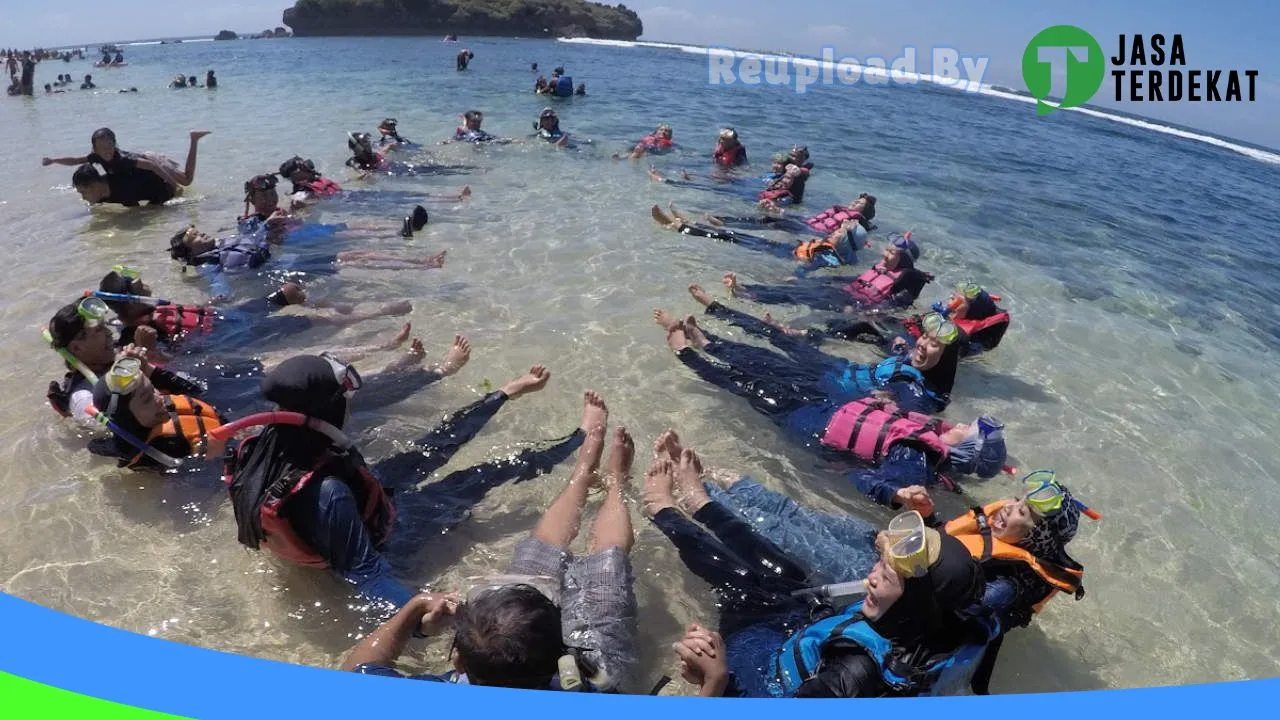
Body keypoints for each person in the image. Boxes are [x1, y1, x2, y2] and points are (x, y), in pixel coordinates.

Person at [226, 357, 593, 609]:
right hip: (389, 532)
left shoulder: (264, 447)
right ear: (328, 412)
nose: (353, 403)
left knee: (431, 447)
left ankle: (504, 393)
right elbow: (367, 576)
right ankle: (581, 439)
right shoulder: (328, 495)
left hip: (359, 498)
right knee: (483, 474)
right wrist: (423, 612)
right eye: (348, 397)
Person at [640, 446, 988, 697]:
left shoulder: (853, 675)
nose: (873, 574)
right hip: (797, 630)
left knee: (740, 579)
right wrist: (821, 609)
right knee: (781, 565)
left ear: (917, 601)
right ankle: (703, 505)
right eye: (881, 562)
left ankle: (665, 512)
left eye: (887, 575)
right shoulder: (908, 622)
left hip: (755, 669)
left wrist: (715, 682)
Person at [345, 402, 639, 691]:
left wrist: (416, 606)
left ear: (457, 662)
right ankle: (615, 485)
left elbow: (356, 671)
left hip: (546, 663)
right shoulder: (591, 692)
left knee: (563, 557)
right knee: (606, 562)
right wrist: (416, 608)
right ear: (562, 658)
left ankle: (583, 475)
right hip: (589, 673)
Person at [655, 302, 999, 506]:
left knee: (746, 383)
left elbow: (880, 483)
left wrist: (899, 496)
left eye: (964, 431)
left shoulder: (916, 449)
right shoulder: (924, 431)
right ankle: (707, 343)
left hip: (813, 421)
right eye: (924, 337)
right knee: (757, 369)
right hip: (826, 403)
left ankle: (687, 354)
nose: (957, 424)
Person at [44, 298, 205, 429]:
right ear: (77, 347)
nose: (108, 333)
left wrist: (150, 354)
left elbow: (190, 379)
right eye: (99, 330)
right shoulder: (83, 398)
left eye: (105, 326)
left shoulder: (120, 357)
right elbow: (116, 432)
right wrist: (145, 369)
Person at [773, 282, 1013, 359]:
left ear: (970, 311)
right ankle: (816, 331)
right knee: (856, 320)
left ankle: (804, 337)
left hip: (905, 346)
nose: (951, 300)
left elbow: (963, 351)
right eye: (953, 296)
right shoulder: (948, 316)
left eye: (957, 300)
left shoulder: (964, 334)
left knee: (864, 327)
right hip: (905, 331)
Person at [723, 232, 933, 313]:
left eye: (891, 252)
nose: (884, 254)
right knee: (797, 289)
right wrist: (823, 279)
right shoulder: (882, 268)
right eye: (886, 250)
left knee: (797, 298)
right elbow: (856, 280)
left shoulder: (907, 278)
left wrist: (864, 312)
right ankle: (748, 290)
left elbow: (896, 305)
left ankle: (749, 295)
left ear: (904, 259)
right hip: (845, 294)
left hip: (852, 305)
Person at [89, 353, 227, 471]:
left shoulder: (161, 406)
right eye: (148, 399)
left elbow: (195, 392)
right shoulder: (157, 447)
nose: (159, 397)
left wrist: (152, 371)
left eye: (153, 388)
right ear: (126, 418)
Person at [651, 204, 864, 278]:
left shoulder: (828, 256)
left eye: (839, 233)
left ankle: (678, 227)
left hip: (780, 252)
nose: (835, 231)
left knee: (729, 238)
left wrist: (797, 273)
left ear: (845, 242)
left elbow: (810, 266)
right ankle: (687, 223)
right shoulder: (832, 251)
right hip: (781, 248)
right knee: (732, 235)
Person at [46, 128, 209, 206]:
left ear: (115, 144)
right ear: (95, 149)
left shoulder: (122, 159)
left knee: (186, 180)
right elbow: (75, 160)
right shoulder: (96, 156)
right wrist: (53, 160)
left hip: (151, 161)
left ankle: (194, 139)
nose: (107, 151)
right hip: (142, 171)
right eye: (102, 148)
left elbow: (151, 166)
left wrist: (171, 182)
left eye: (110, 146)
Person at [708, 192, 877, 237]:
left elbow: (860, 233)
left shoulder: (856, 221)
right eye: (855, 201)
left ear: (863, 212)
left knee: (776, 224)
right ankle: (726, 220)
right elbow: (811, 218)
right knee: (769, 218)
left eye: (859, 205)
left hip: (813, 232)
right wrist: (780, 210)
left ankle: (726, 226)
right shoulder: (840, 211)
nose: (854, 203)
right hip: (807, 224)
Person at [447, 110, 511, 145]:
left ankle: (514, 141)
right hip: (476, 139)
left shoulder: (480, 131)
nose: (477, 124)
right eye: (474, 122)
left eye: (479, 122)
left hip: (482, 138)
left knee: (502, 140)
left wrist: (464, 118)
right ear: (467, 122)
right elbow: (454, 139)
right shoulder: (463, 130)